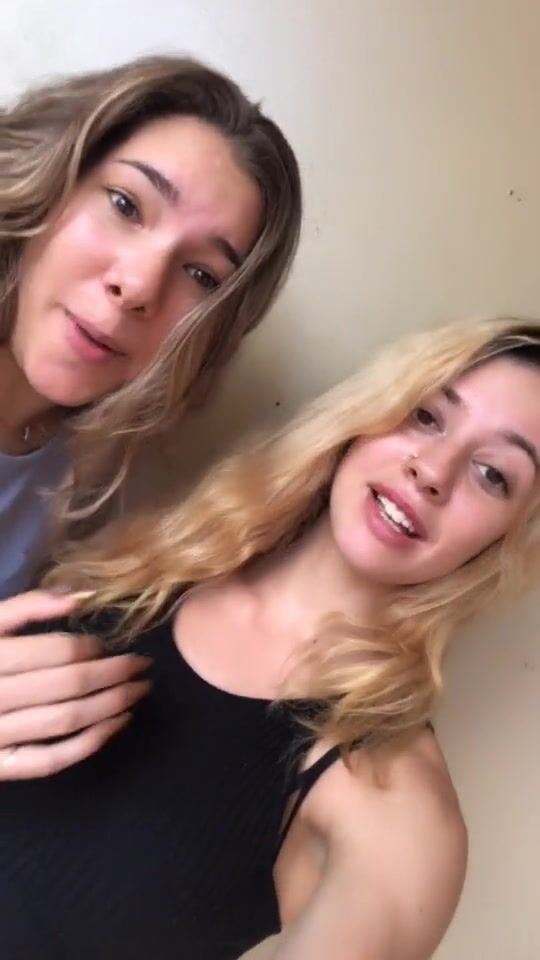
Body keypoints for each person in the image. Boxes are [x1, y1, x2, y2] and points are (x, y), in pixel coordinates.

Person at [1, 316, 539, 959]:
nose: (433, 472)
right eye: (426, 416)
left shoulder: (399, 814)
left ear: (507, 542)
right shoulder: (147, 557)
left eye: (493, 475)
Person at [0, 53, 302, 774]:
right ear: (46, 179)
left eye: (200, 274)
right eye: (126, 204)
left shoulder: (84, 482)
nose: (138, 286)